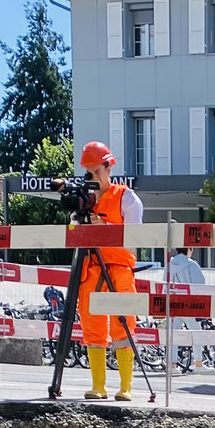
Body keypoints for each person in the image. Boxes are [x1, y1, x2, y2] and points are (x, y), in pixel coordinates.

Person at [77, 141, 143, 401]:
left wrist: (104, 226)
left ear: (109, 167)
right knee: (92, 325)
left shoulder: (127, 197)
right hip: (91, 267)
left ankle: (125, 386)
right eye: (89, 173)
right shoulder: (85, 200)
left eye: (98, 172)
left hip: (119, 266)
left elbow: (135, 237)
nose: (94, 178)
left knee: (122, 323)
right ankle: (98, 386)